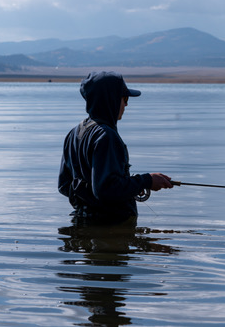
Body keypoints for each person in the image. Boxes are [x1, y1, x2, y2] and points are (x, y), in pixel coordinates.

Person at [59, 71, 174, 223]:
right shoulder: (106, 137)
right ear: (111, 99)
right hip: (109, 225)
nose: (126, 104)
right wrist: (147, 181)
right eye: (124, 98)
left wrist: (131, 184)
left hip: (84, 222)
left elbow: (64, 185)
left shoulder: (74, 133)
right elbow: (106, 190)